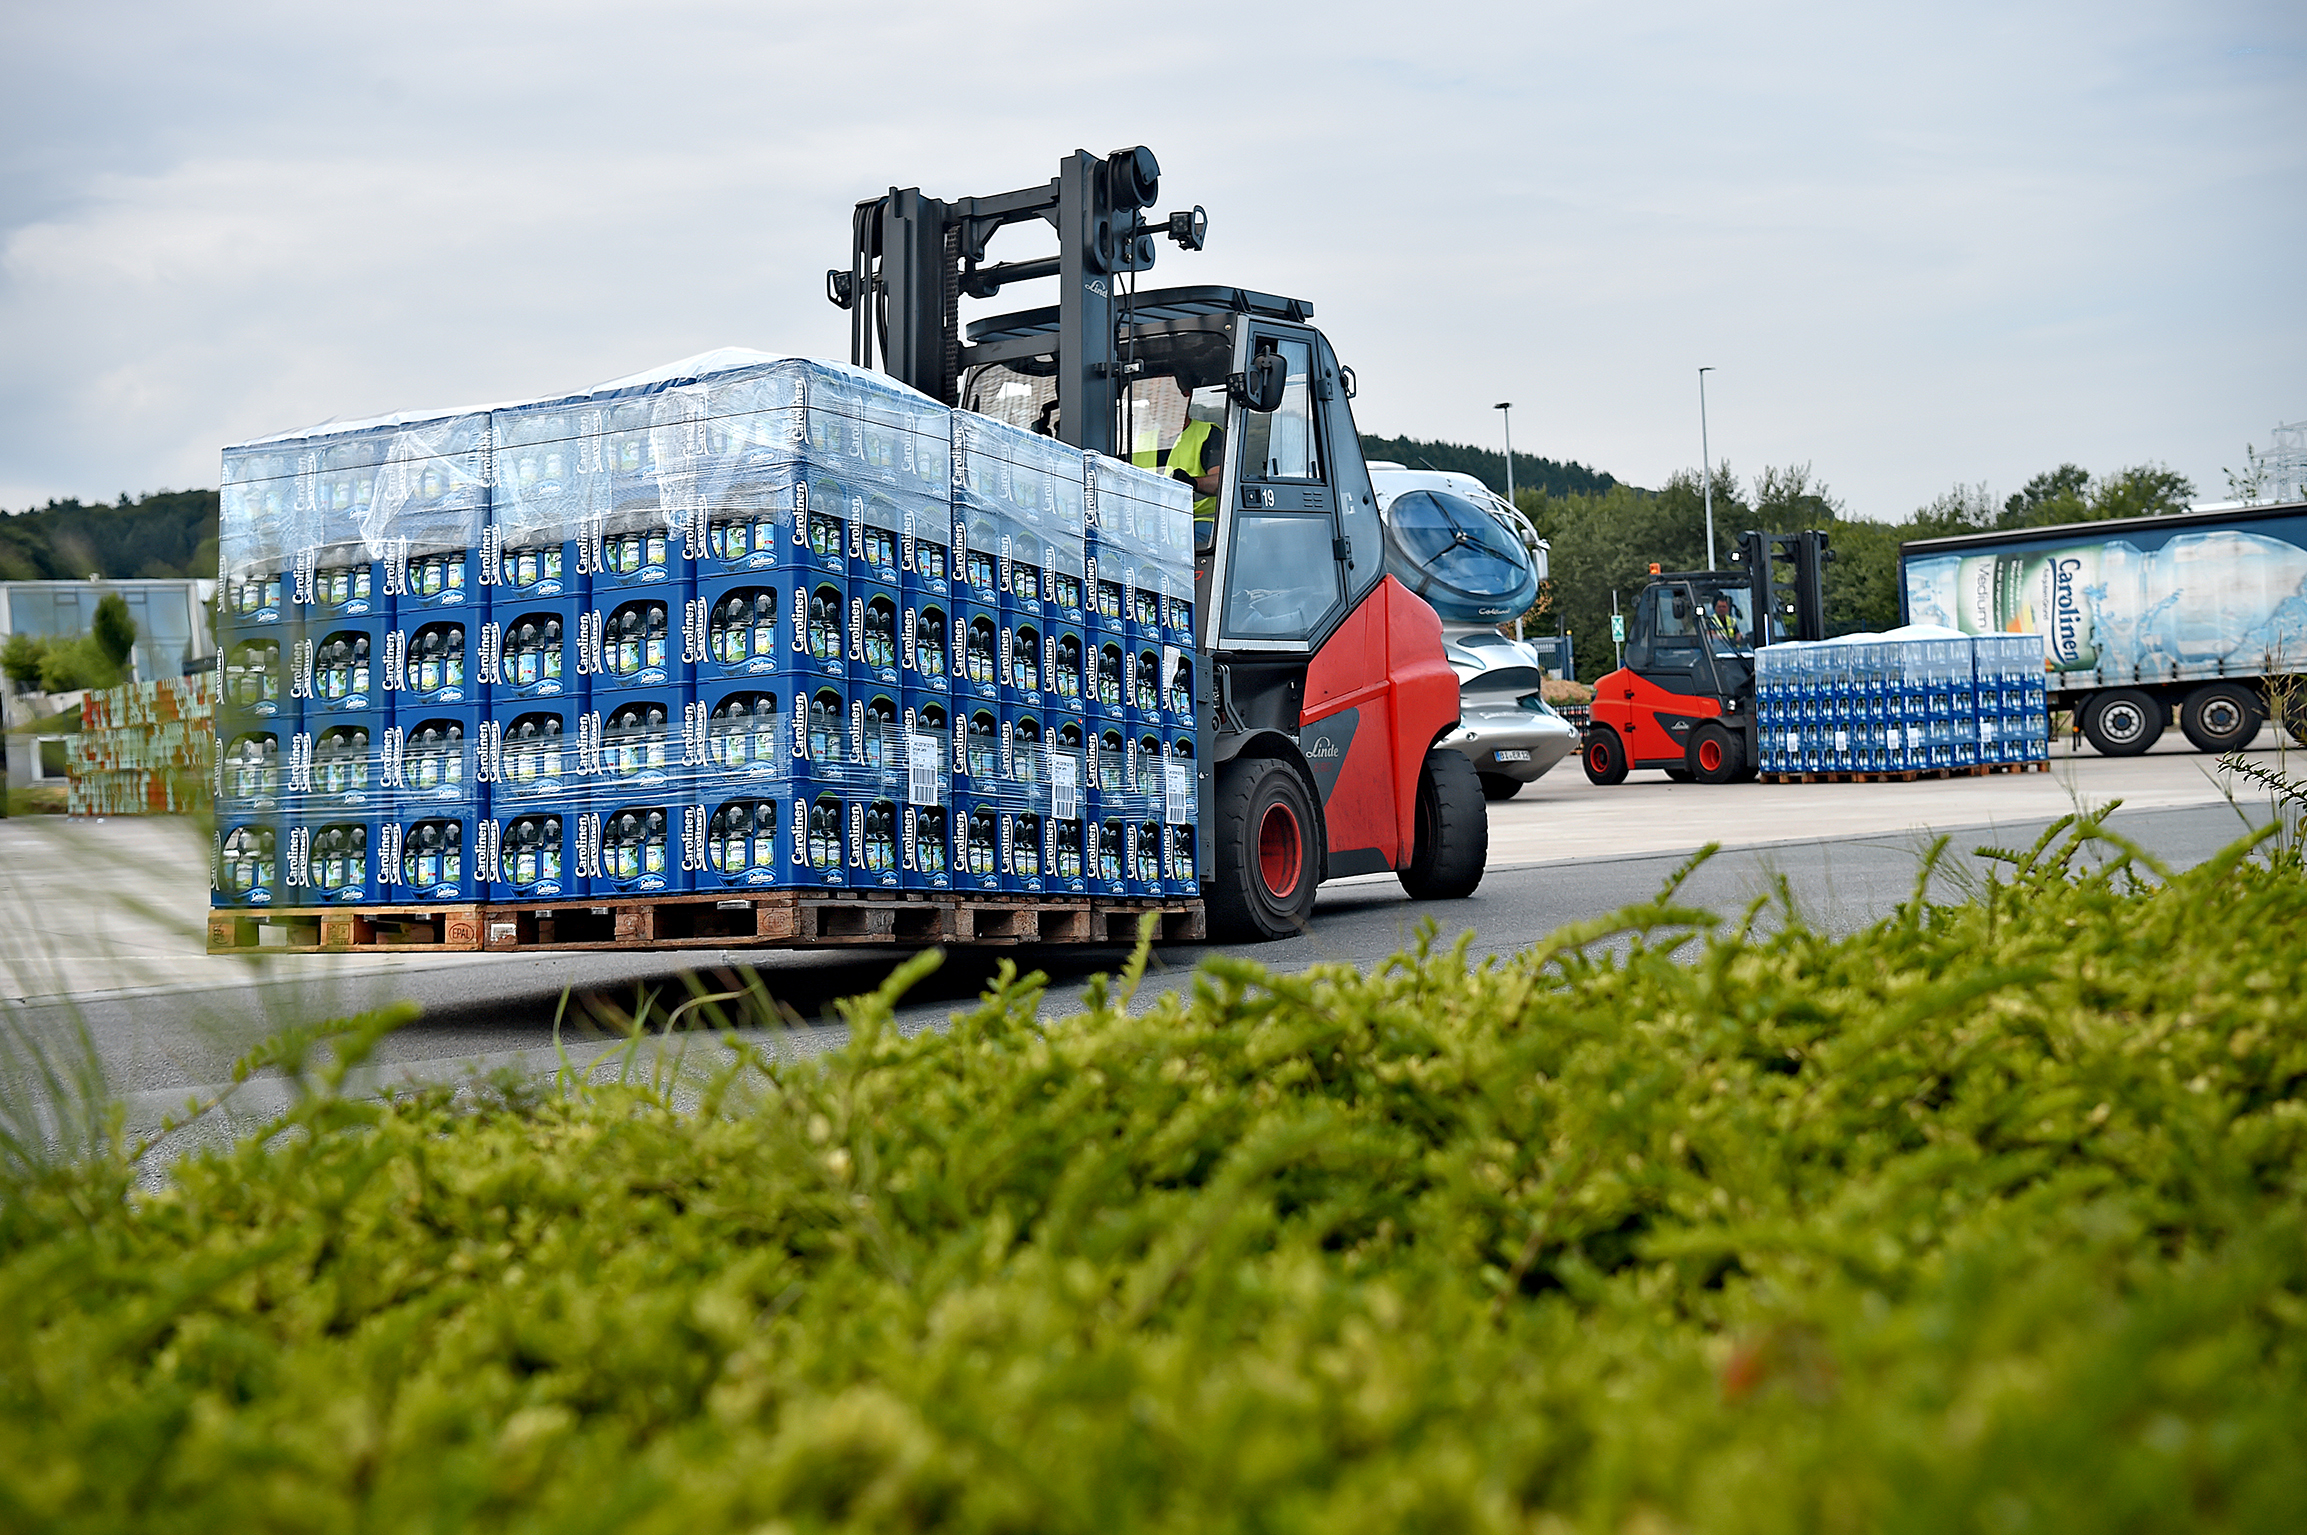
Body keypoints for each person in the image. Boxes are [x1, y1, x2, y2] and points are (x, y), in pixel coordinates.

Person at [1131, 379, 1225, 536]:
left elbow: (1220, 482)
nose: (1154, 401)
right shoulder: (1142, 441)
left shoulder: (1208, 434)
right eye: (1150, 397)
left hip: (1196, 524)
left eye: (1162, 395)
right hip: (1147, 525)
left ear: (1185, 398)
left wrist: (1193, 483)